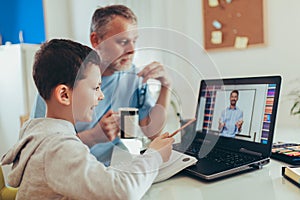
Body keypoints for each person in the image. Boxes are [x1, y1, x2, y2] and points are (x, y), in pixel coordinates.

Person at [1, 39, 174, 199]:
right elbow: (123, 192)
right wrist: (155, 155)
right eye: (95, 88)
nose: (101, 96)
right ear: (64, 95)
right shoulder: (58, 148)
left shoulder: (40, 133)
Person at [31, 5, 171, 164]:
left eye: (134, 41)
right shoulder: (63, 80)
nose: (132, 50)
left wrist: (166, 87)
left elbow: (152, 132)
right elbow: (40, 151)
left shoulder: (134, 78)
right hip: (72, 172)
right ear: (96, 40)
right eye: (123, 41)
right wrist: (93, 136)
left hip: (115, 170)